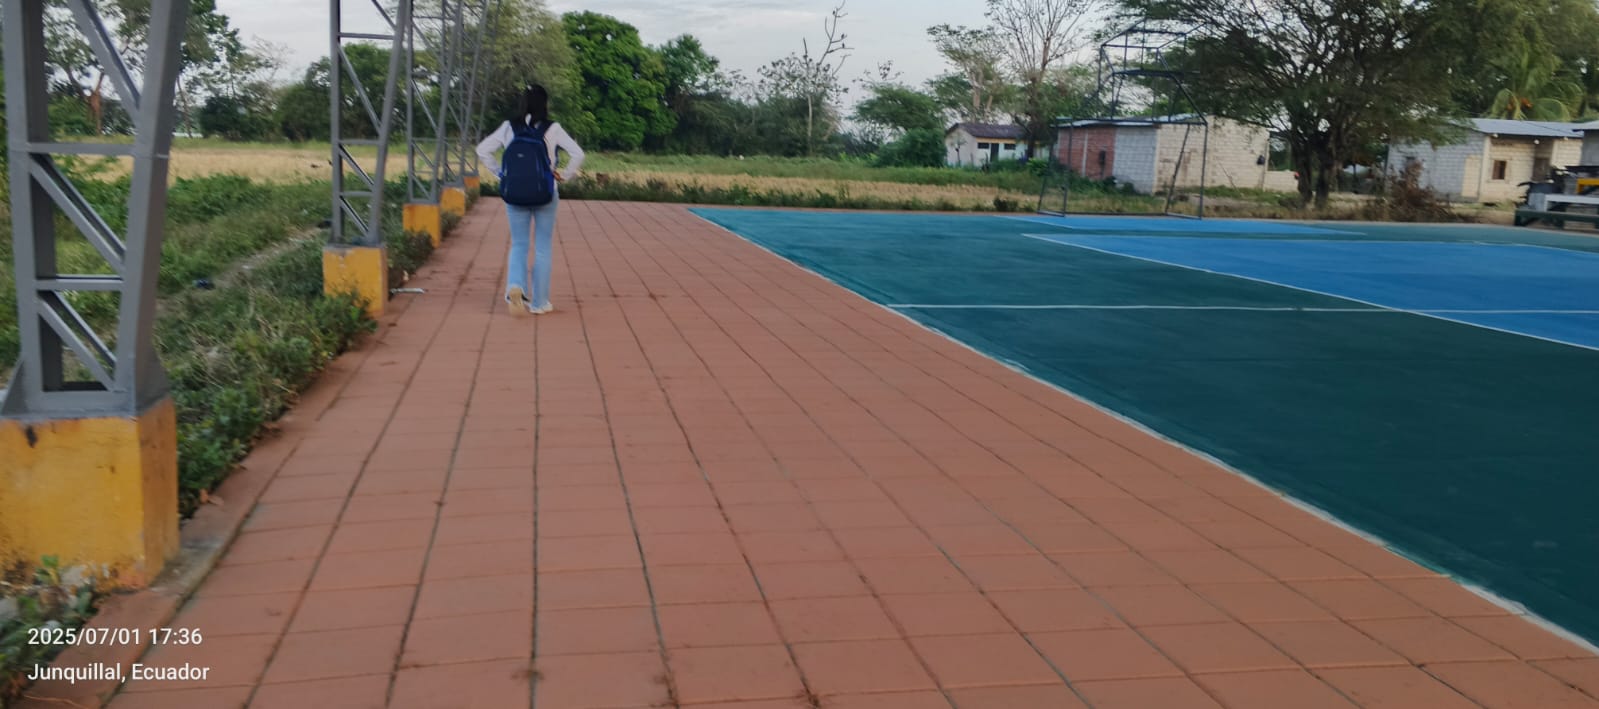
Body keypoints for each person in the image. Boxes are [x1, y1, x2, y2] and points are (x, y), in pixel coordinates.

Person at [475, 84, 584, 316]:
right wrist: (564, 175)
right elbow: (578, 153)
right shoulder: (553, 128)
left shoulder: (509, 127)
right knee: (543, 246)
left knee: (519, 244)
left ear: (523, 102)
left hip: (514, 194)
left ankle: (515, 287)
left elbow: (482, 150)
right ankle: (540, 303)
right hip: (546, 192)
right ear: (545, 104)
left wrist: (501, 173)